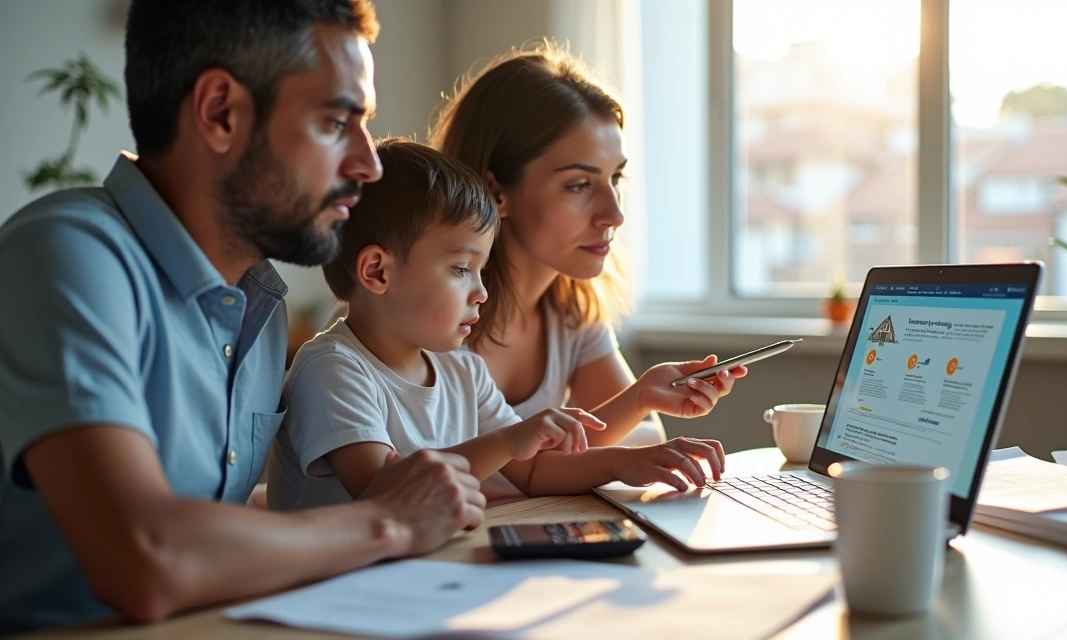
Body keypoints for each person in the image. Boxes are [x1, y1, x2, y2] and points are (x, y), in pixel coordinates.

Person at [0, 2, 485, 634]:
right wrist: (389, 519)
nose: (368, 164)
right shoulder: (68, 255)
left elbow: (206, 523)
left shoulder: (260, 304)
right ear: (220, 113)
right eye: (336, 121)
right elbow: (147, 557)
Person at [266, 139, 726, 511]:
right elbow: (387, 489)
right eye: (462, 269)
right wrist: (508, 440)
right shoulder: (333, 369)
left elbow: (533, 471)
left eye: (482, 270)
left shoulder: (462, 371)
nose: (481, 291)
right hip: (329, 587)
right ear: (378, 272)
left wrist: (628, 464)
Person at [430, 43, 747, 456]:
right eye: (579, 185)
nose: (614, 215)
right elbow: (456, 471)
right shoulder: (419, 311)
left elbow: (646, 434)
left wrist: (633, 406)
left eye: (615, 178)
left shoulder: (570, 312)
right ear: (495, 191)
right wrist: (598, 440)